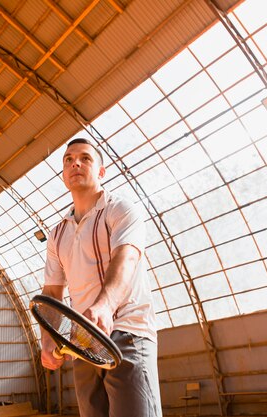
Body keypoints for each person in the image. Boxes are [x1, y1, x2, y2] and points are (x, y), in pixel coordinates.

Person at [40, 138, 161, 417]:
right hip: (83, 344)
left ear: (101, 171)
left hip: (127, 332)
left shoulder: (121, 209)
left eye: (85, 158)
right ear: (63, 173)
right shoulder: (57, 233)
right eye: (68, 159)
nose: (76, 163)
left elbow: (127, 257)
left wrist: (105, 305)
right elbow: (51, 293)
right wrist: (47, 338)